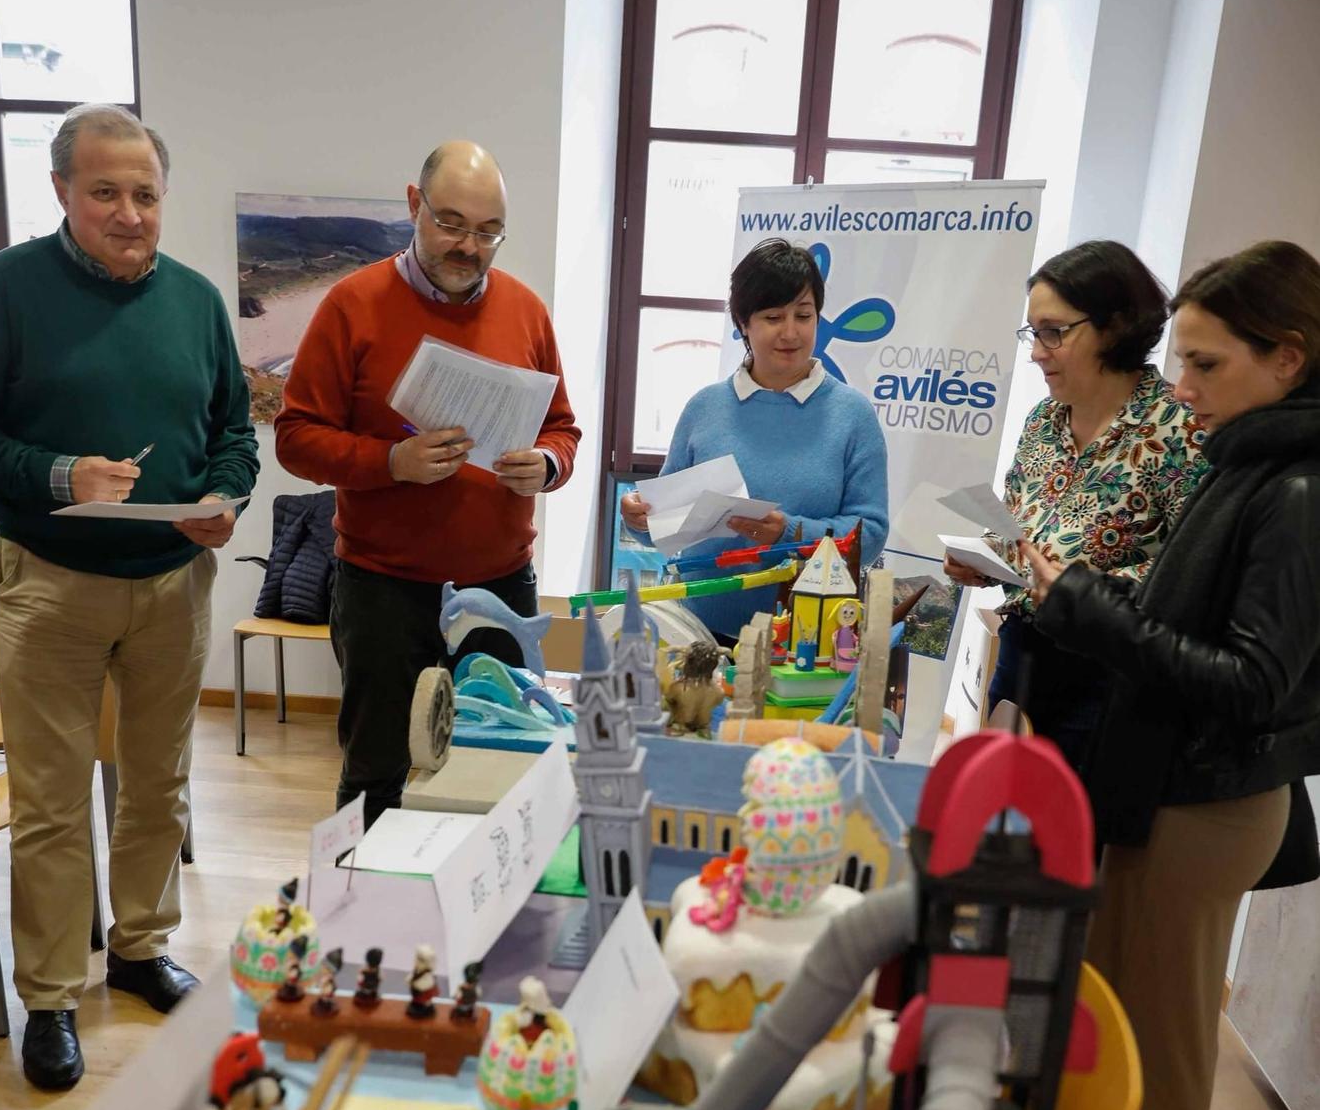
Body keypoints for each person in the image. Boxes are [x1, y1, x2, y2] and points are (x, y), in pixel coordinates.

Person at [1024, 240, 1320, 1110]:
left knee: (1169, 1016)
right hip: (1171, 781)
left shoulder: (1292, 489)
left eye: (1204, 365)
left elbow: (1251, 682)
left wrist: (1091, 611)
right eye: (1180, 360)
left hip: (1207, 795)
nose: (1180, 385)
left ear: (1286, 358)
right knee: (1136, 1000)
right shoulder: (1246, 461)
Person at [0, 104, 257, 1092]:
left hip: (174, 584)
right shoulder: (6, 289)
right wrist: (60, 475)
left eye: (145, 193)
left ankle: (140, 945)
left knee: (158, 782)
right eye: (106, 191)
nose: (129, 213)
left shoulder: (193, 301)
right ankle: (52, 994)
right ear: (62, 191)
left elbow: (234, 430)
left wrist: (227, 496)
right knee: (54, 804)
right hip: (47, 586)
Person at [275, 140, 580, 826]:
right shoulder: (351, 306)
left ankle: (485, 926)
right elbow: (296, 437)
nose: (468, 246)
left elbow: (562, 428)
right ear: (413, 206)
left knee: (501, 765)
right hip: (384, 588)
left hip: (499, 589)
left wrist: (547, 465)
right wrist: (391, 463)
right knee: (375, 772)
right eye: (450, 223)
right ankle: (358, 924)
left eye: (487, 232)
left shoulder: (526, 311)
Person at [945, 240, 1205, 773]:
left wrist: (1078, 586)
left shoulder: (1179, 429)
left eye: (1053, 332)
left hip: (1110, 674)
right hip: (1020, 660)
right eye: (1032, 333)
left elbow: (1192, 574)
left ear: (1114, 325)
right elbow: (1023, 533)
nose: (1037, 350)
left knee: (1078, 846)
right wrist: (985, 559)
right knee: (1001, 830)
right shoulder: (1043, 421)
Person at [620, 239, 888, 642]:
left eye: (804, 314)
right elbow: (662, 523)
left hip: (807, 641)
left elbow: (869, 536)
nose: (791, 332)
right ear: (744, 323)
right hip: (700, 632)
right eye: (772, 317)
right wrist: (638, 519)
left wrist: (790, 533)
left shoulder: (852, 415)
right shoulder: (704, 407)